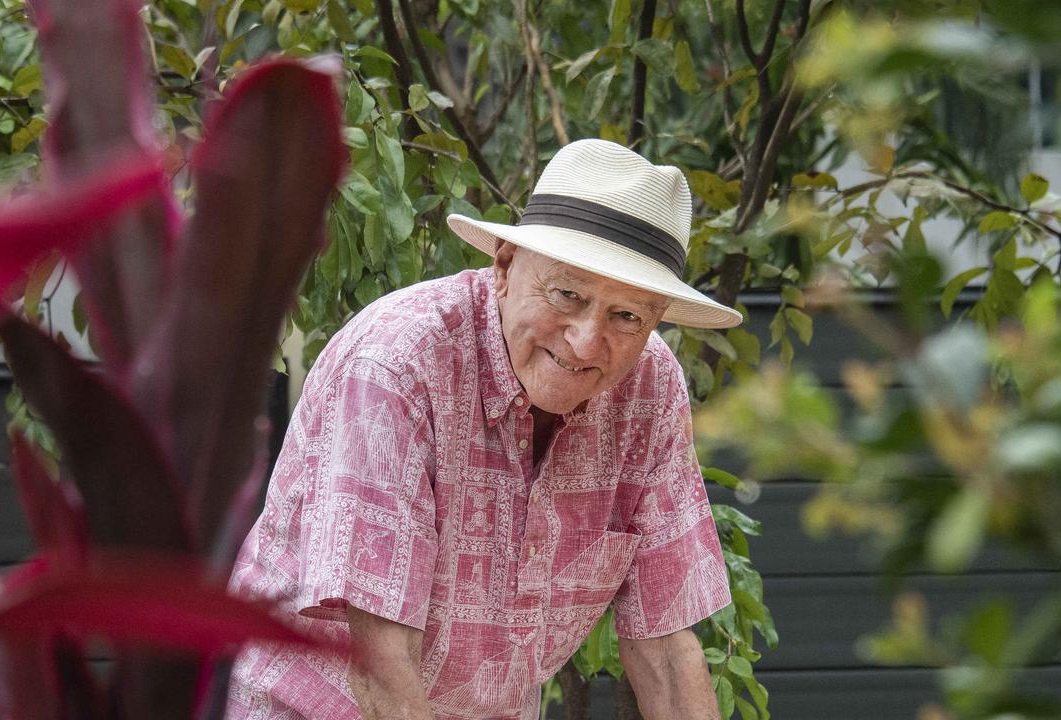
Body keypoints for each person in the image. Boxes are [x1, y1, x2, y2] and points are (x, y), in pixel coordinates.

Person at [226, 139, 742, 720]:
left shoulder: (651, 390)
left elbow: (668, 649)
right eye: (568, 294)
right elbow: (382, 659)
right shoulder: (397, 366)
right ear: (503, 266)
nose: (585, 340)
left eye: (627, 316)